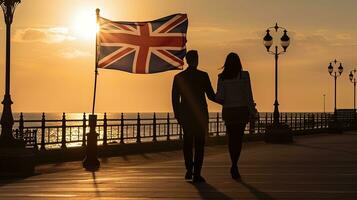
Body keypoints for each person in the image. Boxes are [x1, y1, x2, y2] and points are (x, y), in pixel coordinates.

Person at [172, 50, 217, 183]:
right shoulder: (203, 76)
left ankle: (189, 170)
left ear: (187, 60)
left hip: (186, 115)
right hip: (200, 115)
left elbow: (175, 99)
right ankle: (197, 173)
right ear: (196, 60)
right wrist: (225, 100)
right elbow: (211, 96)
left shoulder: (179, 77)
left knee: (187, 143)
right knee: (199, 144)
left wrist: (178, 115)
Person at [216, 52, 255, 180]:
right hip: (241, 111)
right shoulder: (244, 76)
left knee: (231, 139)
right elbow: (249, 95)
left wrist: (212, 96)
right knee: (238, 139)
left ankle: (233, 163)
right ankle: (234, 164)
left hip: (229, 111)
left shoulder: (221, 77)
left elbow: (220, 97)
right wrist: (252, 111)